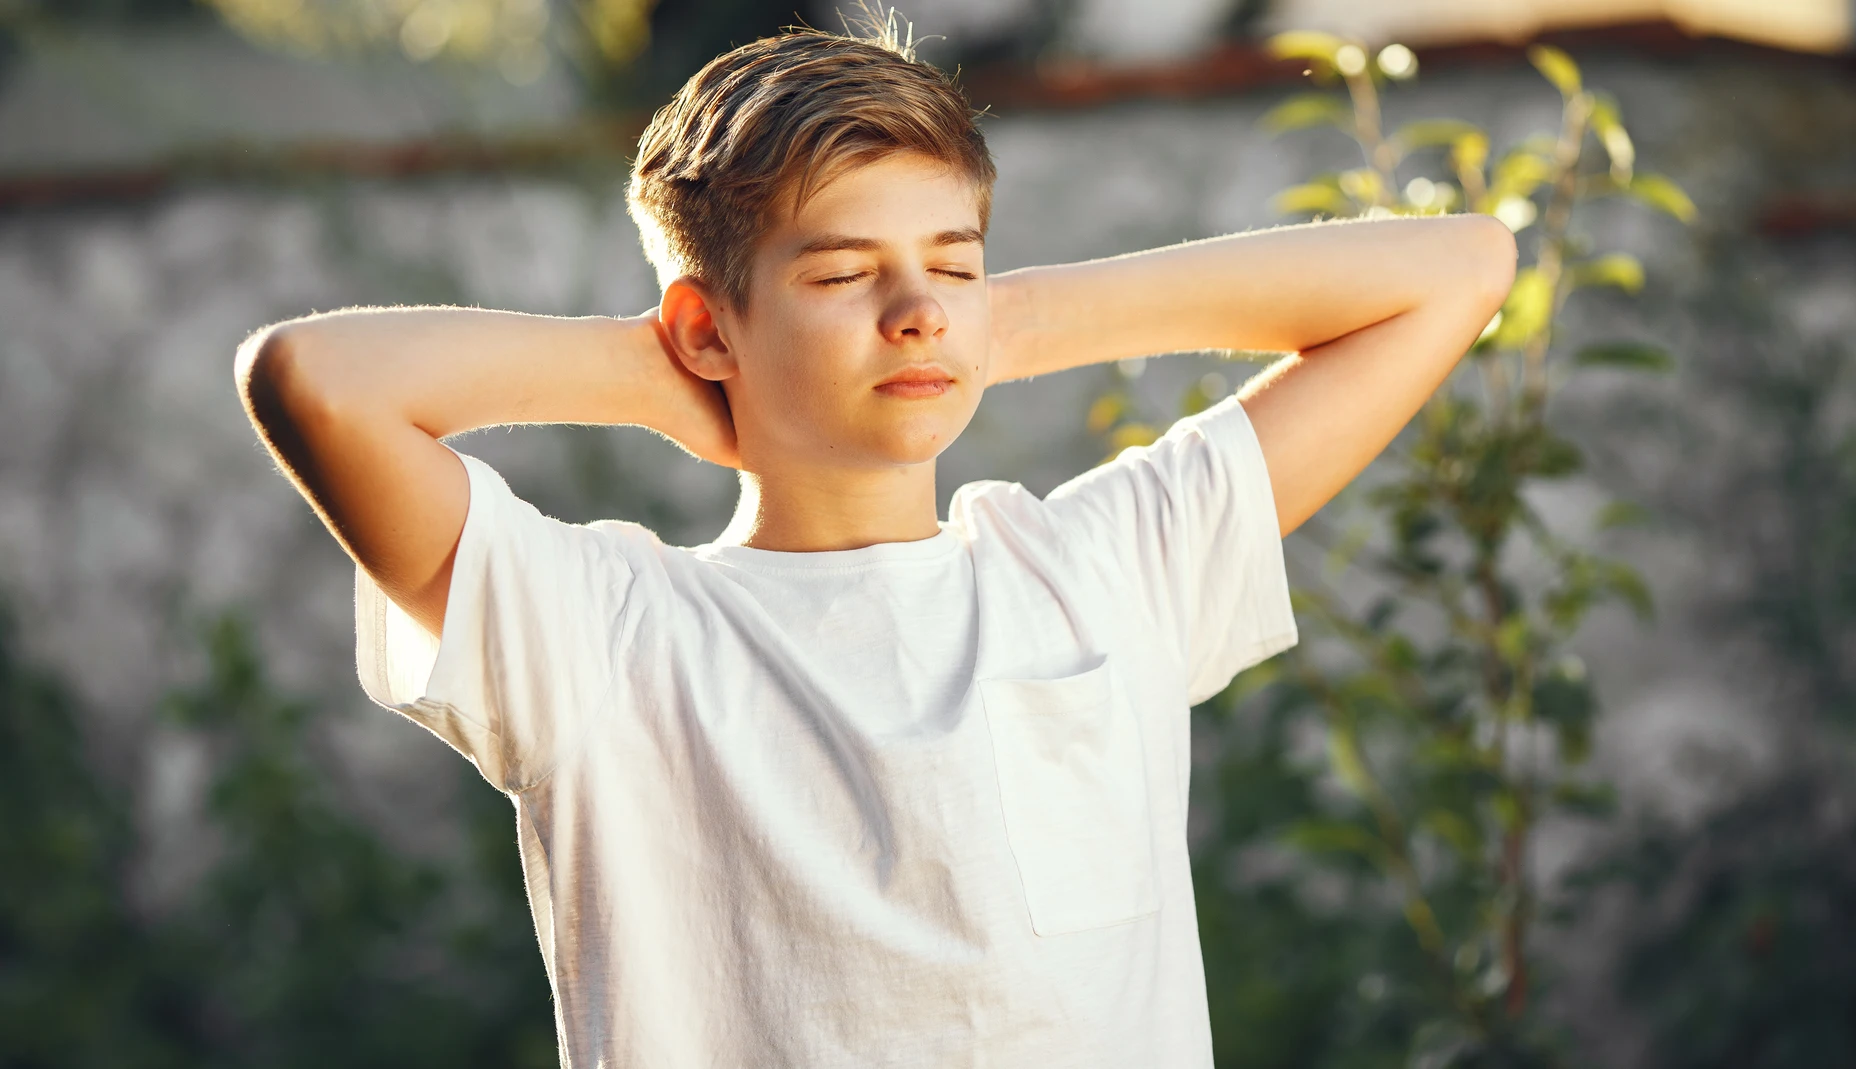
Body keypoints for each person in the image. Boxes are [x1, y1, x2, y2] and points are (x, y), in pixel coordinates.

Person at [233, 11, 1514, 1068]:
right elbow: (317, 376)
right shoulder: (598, 631)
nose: (914, 314)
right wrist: (674, 374)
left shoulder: (1106, 565)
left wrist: (1009, 324)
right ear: (705, 323)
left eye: (950, 265)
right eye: (842, 275)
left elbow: (1459, 266)